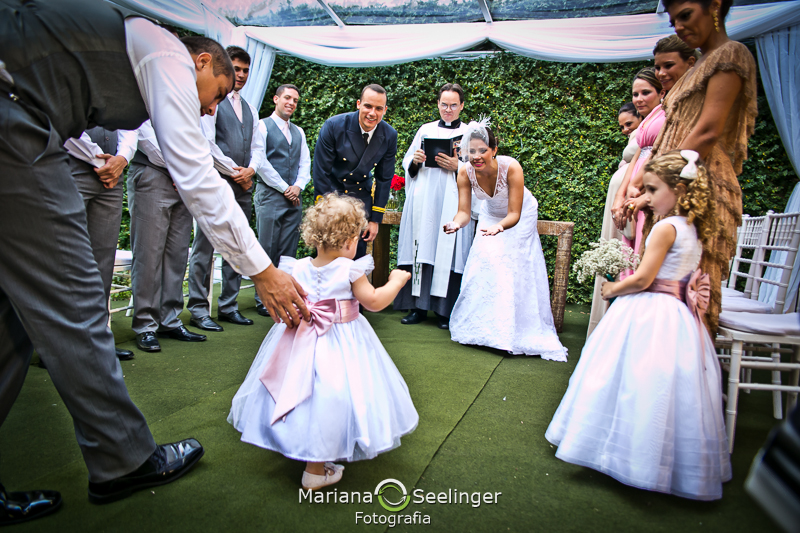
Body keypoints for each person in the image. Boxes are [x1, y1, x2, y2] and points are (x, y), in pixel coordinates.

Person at [0, 0, 308, 522]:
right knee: (75, 298)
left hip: (23, 124)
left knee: (12, 315)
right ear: (201, 64)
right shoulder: (166, 54)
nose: (213, 109)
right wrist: (263, 270)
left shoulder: (143, 53)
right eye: (219, 93)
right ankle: (122, 459)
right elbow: (194, 174)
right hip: (15, 130)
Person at [546, 150, 731, 500]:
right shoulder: (692, 228)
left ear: (678, 189)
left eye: (651, 189)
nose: (644, 197)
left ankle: (623, 455)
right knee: (665, 386)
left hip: (650, 310)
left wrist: (614, 287)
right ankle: (662, 462)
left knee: (632, 378)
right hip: (678, 316)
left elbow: (645, 279)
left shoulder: (664, 228)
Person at [227, 194, 418, 490]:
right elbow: (375, 302)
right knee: (333, 395)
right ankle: (315, 470)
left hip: (298, 340)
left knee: (300, 391)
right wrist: (395, 281)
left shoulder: (296, 268)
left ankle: (297, 444)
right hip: (341, 343)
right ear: (350, 241)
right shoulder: (350, 270)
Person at [649, 0, 757, 334]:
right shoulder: (701, 64)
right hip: (674, 183)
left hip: (700, 184)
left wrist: (659, 182)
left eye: (685, 16)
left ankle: (688, 375)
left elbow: (707, 131)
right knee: (664, 284)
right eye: (673, 21)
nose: (679, 27)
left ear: (714, 5)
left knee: (691, 284)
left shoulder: (731, 54)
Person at [444, 120, 567, 361]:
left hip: (519, 215)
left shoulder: (512, 167)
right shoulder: (464, 172)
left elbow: (514, 214)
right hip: (490, 214)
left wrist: (500, 228)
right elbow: (464, 212)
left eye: (483, 150)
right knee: (485, 261)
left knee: (509, 262)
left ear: (494, 149)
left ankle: (512, 330)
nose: (477, 156)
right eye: (471, 151)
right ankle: (484, 328)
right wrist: (455, 223)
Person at [187, 45, 264, 331]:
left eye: (245, 70)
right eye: (236, 68)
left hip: (243, 186)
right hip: (215, 181)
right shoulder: (211, 100)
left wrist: (251, 170)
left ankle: (229, 305)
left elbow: (258, 146)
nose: (241, 74)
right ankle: (198, 308)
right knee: (204, 246)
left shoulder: (251, 108)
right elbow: (206, 142)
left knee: (238, 245)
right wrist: (235, 171)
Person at [395, 83, 476, 330]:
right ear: (438, 104)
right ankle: (417, 308)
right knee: (422, 245)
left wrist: (458, 167)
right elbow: (407, 161)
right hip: (425, 198)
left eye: (453, 105)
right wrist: (416, 161)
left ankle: (444, 311)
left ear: (462, 105)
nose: (448, 109)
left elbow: (480, 169)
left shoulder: (471, 133)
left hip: (453, 198)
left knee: (448, 250)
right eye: (444, 104)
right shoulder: (425, 129)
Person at [128, 120, 206, 352]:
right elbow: (143, 133)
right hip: (153, 174)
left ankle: (169, 320)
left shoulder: (187, 97)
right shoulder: (149, 88)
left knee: (177, 254)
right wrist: (177, 167)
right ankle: (145, 325)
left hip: (184, 182)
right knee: (148, 255)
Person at [66, 127, 138, 360]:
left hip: (112, 179)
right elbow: (66, 124)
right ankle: (62, 344)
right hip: (70, 169)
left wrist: (122, 158)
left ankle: (97, 338)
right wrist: (99, 158)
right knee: (66, 260)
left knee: (103, 261)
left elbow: (130, 128)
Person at [313, 84, 398, 259]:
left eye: (378, 108)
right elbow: (321, 173)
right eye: (368, 106)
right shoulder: (334, 126)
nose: (372, 113)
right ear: (358, 104)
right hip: (333, 195)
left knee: (355, 259)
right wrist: (324, 210)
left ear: (385, 110)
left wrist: (375, 220)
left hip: (360, 200)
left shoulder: (389, 135)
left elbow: (384, 179)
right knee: (327, 257)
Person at [253, 83, 312, 317]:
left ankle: (286, 295)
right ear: (276, 100)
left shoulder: (299, 131)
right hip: (269, 195)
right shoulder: (261, 126)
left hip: (293, 199)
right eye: (287, 98)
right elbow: (260, 162)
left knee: (288, 252)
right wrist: (284, 187)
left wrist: (298, 186)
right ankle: (262, 299)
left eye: (295, 100)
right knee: (267, 247)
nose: (291, 103)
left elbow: (305, 162)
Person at [586, 103, 642, 337]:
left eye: (629, 124)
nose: (625, 130)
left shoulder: (651, 129)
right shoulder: (639, 136)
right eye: (622, 126)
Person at [612, 68, 665, 270]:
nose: (639, 99)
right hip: (633, 189)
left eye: (646, 92)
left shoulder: (666, 116)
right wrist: (621, 194)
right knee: (631, 242)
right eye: (635, 94)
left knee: (644, 242)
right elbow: (636, 159)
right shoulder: (646, 122)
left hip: (649, 187)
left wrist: (640, 187)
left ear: (661, 93)